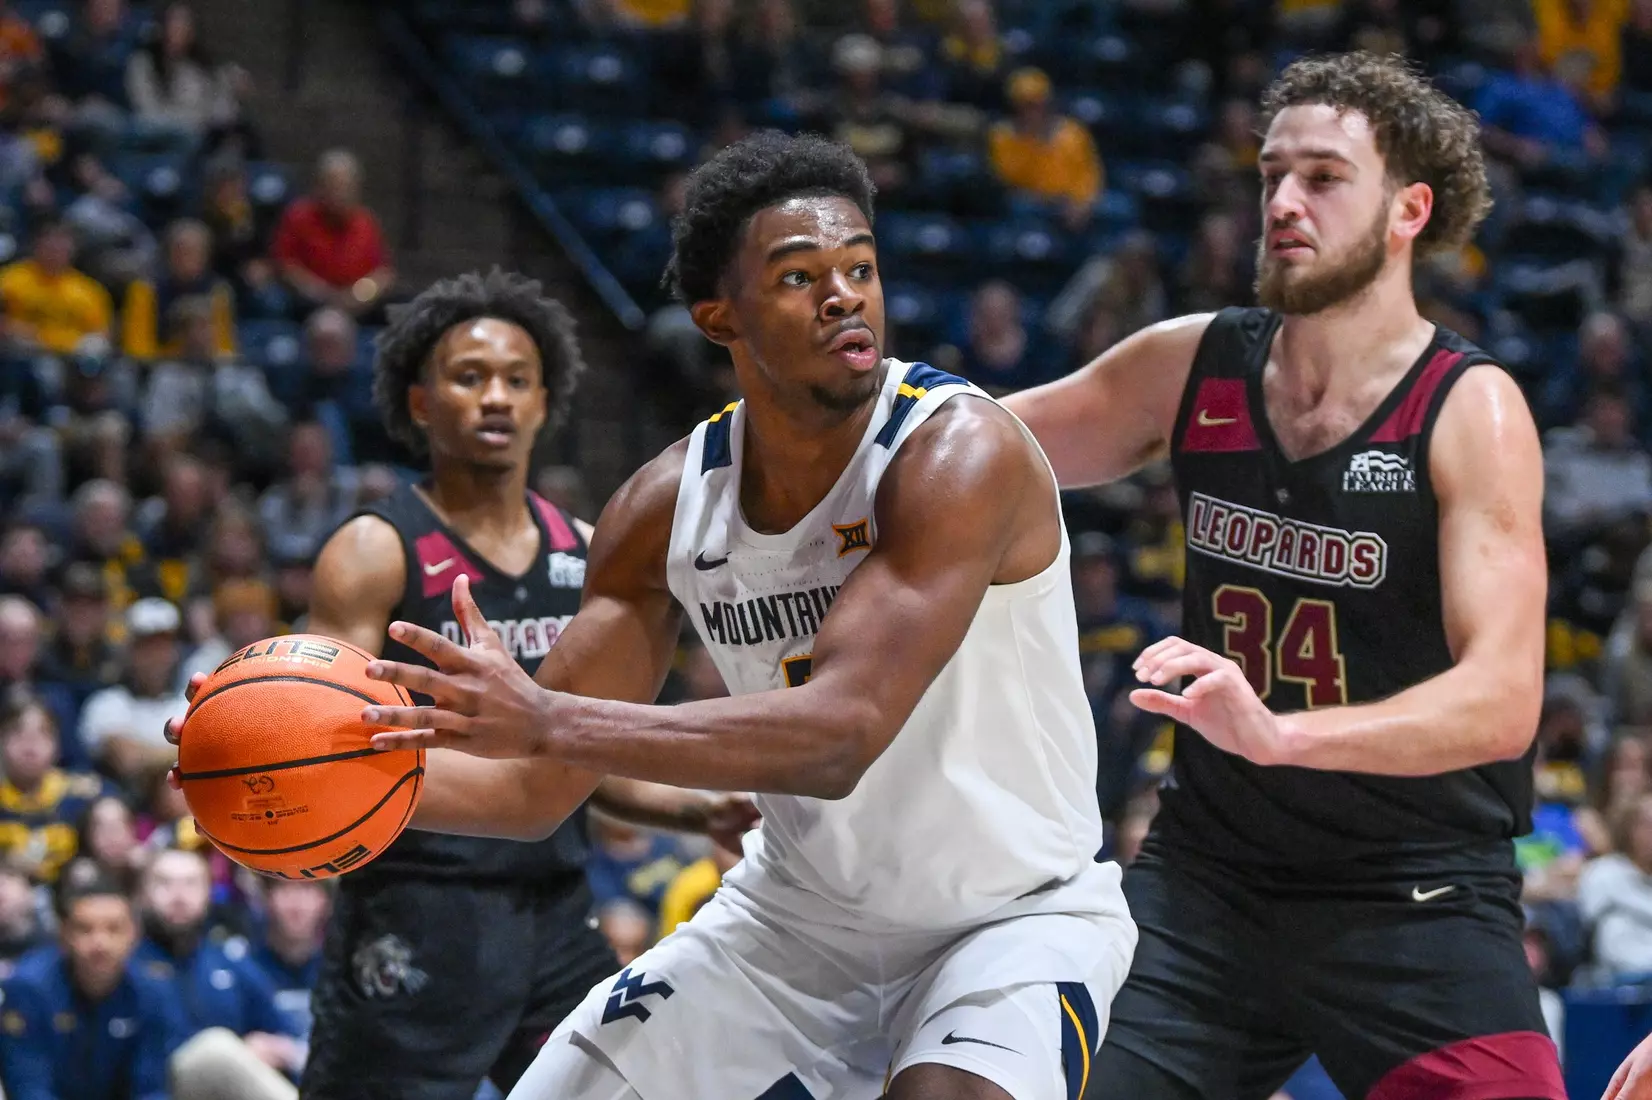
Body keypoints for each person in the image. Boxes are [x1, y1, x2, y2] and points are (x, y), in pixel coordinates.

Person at [298, 131, 1136, 1100]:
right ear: (716, 314)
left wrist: (548, 718)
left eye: (859, 267)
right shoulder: (663, 507)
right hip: (795, 921)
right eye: (796, 276)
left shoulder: (956, 453)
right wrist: (318, 771)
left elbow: (839, 732)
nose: (841, 295)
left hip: (1005, 919)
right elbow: (535, 785)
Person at [998, 51, 1562, 1100]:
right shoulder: (1193, 361)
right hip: (1206, 883)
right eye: (1269, 175)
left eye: (1321, 177)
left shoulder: (1468, 409)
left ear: (1407, 210)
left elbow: (1500, 700)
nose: (1282, 203)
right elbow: (972, 450)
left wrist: (1279, 732)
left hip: (1414, 894)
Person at [174, 269, 757, 1100]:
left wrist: (697, 809)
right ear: (419, 403)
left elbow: (579, 757)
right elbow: (307, 731)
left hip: (553, 908)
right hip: (414, 906)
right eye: (470, 376)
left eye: (518, 381)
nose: (496, 398)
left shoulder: (589, 554)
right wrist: (236, 742)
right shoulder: (374, 550)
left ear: (545, 403)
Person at [0, 873, 183, 1100]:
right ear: (64, 935)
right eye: (85, 929)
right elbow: (29, 1088)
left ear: (134, 935)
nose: (100, 943)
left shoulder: (153, 990)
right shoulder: (27, 988)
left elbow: (150, 1088)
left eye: (114, 929)